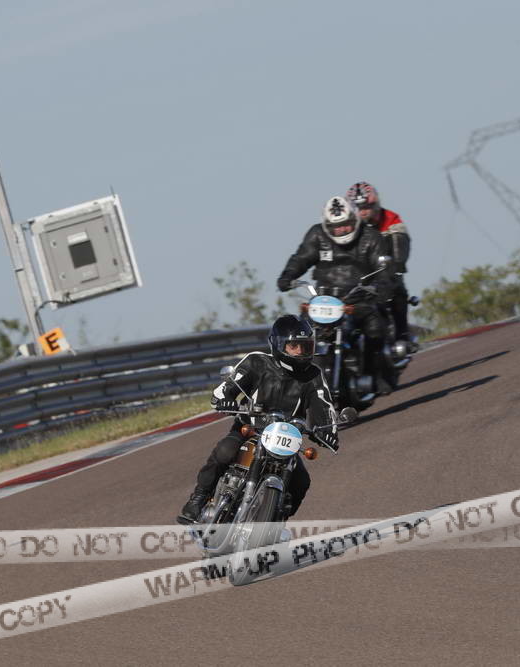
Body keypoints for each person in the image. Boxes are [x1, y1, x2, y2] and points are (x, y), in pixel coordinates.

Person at [177, 315, 339, 525]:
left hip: (285, 441)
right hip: (249, 430)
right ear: (279, 344)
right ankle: (197, 500)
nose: (300, 351)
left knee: (301, 482)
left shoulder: (313, 375)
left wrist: (329, 430)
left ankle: (275, 523)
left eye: (305, 346)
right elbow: (224, 389)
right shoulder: (257, 362)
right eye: (294, 346)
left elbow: (324, 406)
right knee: (225, 451)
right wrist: (225, 399)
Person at [275, 195, 396, 393]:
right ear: (326, 225)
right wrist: (288, 276)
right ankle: (294, 383)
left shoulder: (371, 237)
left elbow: (383, 269)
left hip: (358, 298)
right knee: (299, 333)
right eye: (335, 226)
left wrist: (381, 285)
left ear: (355, 220)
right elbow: (301, 258)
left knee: (375, 328)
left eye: (346, 224)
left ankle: (375, 373)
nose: (341, 229)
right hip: (324, 298)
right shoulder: (317, 234)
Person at [346, 181, 414, 347]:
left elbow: (400, 245)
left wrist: (396, 264)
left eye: (366, 207)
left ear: (375, 204)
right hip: (359, 274)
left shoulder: (391, 219)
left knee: (397, 288)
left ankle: (402, 335)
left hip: (384, 269)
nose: (363, 211)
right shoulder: (349, 226)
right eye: (358, 208)